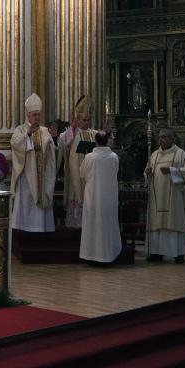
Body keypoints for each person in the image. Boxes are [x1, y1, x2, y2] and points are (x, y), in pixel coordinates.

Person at [10, 93, 58, 232]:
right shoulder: (21, 129)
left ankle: (41, 227)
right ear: (28, 115)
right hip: (27, 176)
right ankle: (24, 226)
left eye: (39, 114)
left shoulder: (44, 131)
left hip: (42, 175)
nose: (37, 117)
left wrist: (54, 139)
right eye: (35, 114)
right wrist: (29, 134)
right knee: (26, 200)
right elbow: (15, 143)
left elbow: (52, 153)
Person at [144, 128, 185, 263]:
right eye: (160, 137)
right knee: (157, 224)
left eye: (165, 137)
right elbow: (147, 174)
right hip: (157, 198)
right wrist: (147, 173)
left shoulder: (180, 154)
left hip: (174, 198)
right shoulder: (154, 155)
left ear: (172, 138)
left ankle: (177, 254)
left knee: (173, 223)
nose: (162, 139)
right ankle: (156, 252)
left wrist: (171, 171)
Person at [79, 131, 121, 264]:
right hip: (109, 197)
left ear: (95, 142)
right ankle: (108, 254)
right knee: (107, 225)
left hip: (93, 197)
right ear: (107, 141)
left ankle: (91, 255)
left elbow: (82, 174)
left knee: (93, 224)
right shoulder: (114, 157)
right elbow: (116, 172)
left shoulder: (90, 157)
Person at [59, 96, 97, 228]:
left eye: (88, 120)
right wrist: (73, 128)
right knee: (77, 196)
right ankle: (75, 225)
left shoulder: (93, 133)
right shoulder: (72, 133)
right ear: (78, 120)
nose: (86, 123)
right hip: (76, 174)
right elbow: (64, 142)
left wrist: (109, 132)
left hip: (90, 175)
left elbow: (104, 144)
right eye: (83, 120)